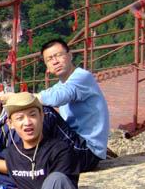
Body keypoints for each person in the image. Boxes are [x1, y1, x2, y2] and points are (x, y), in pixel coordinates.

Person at [37, 38, 109, 171]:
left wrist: (22, 98)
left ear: (70, 55)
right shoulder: (60, 85)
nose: (55, 61)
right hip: (75, 146)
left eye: (58, 55)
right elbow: (50, 95)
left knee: (44, 111)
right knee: (30, 113)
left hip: (87, 151)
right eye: (49, 59)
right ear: (47, 66)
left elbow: (57, 98)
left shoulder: (82, 76)